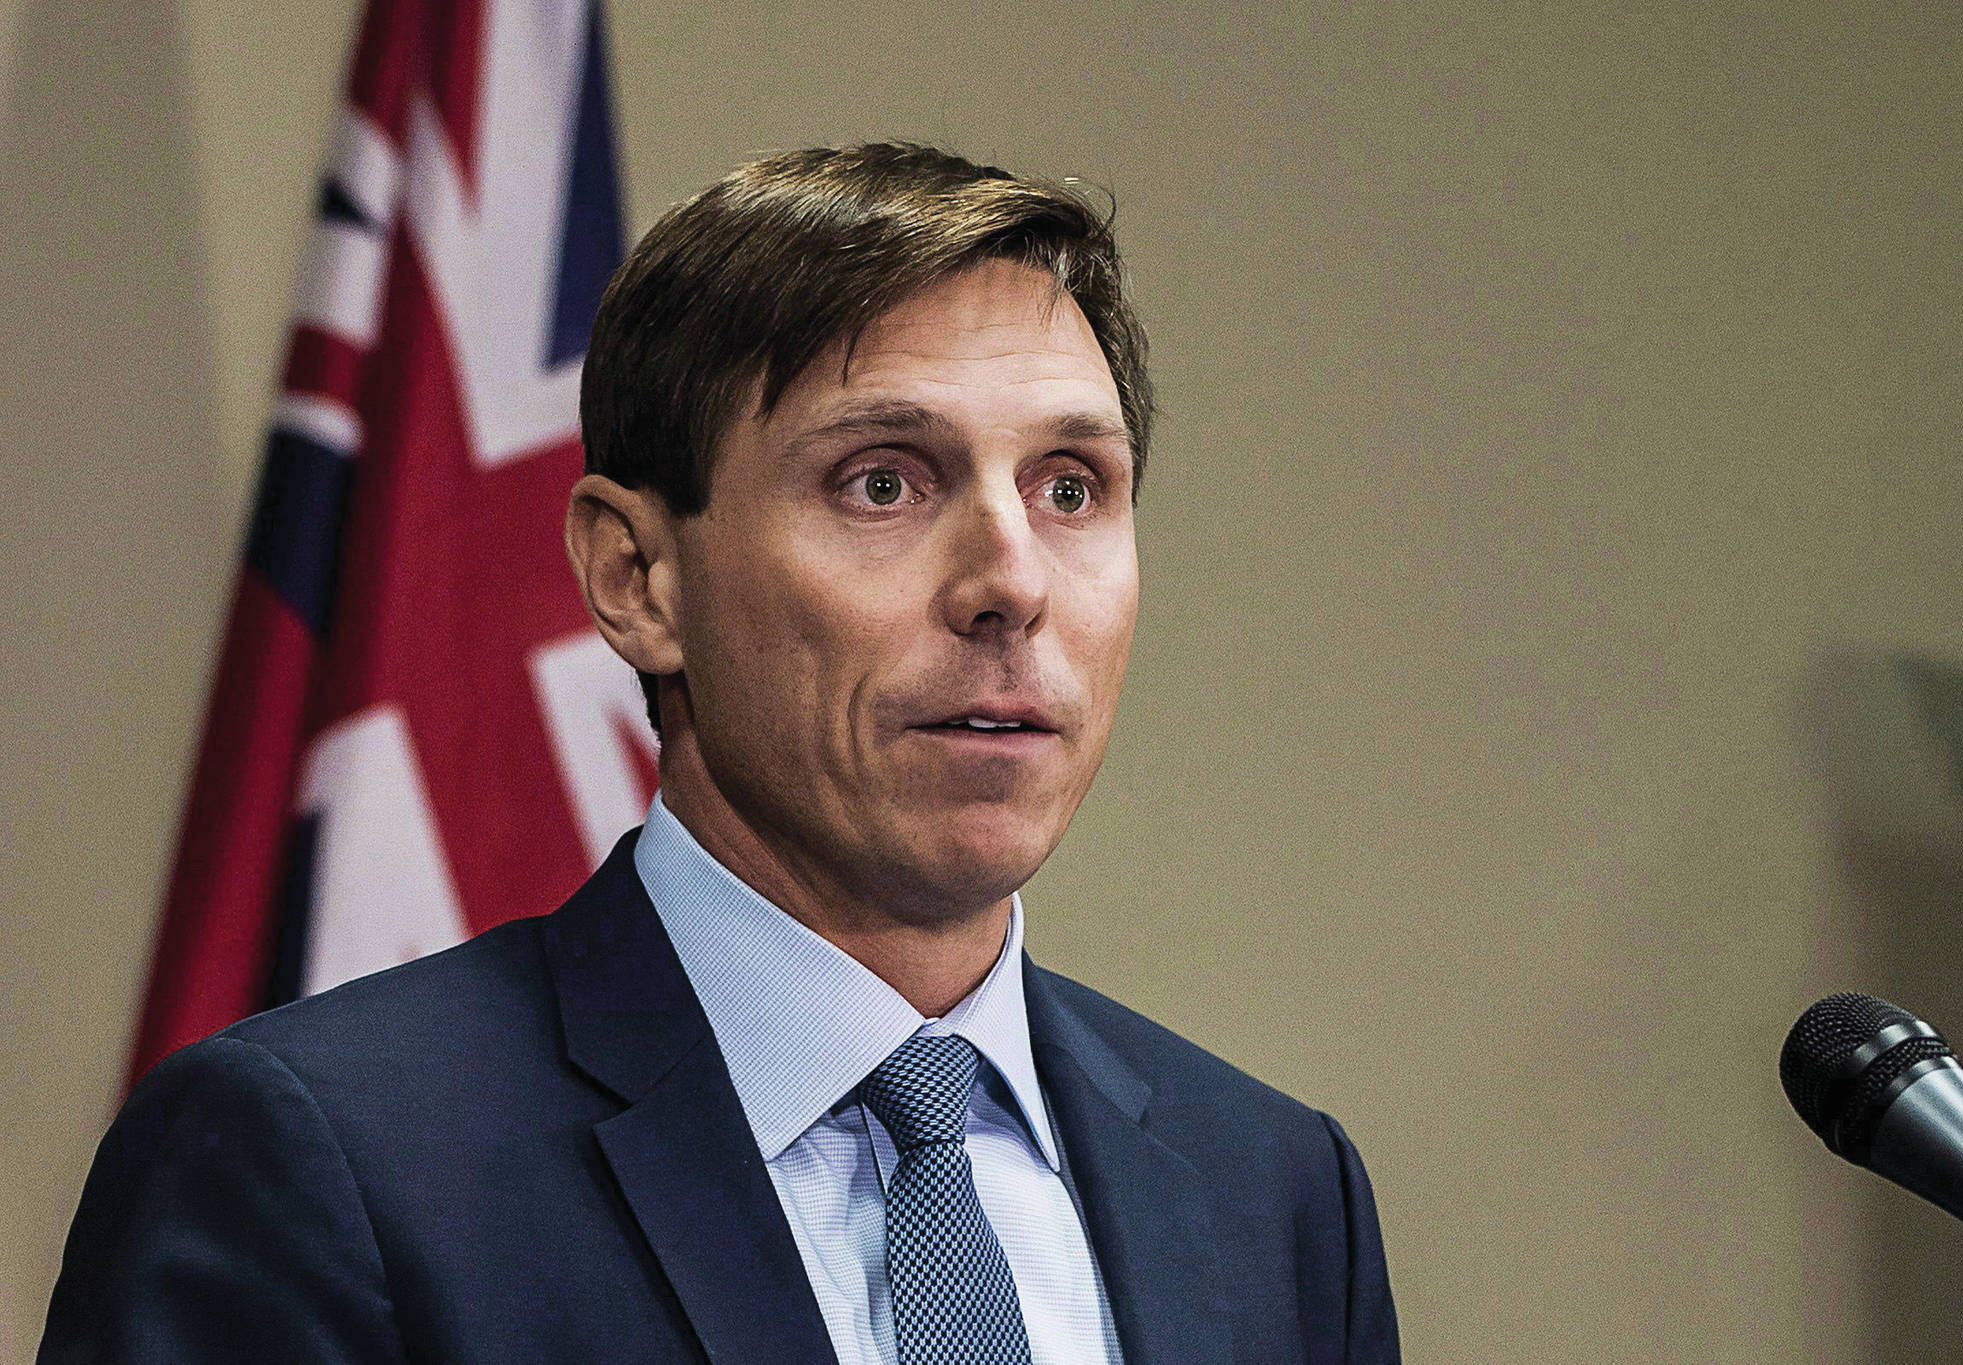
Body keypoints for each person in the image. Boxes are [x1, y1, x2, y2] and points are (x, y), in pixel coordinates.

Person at [41, 143, 1399, 1364]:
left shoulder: (1273, 1196)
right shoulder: (321, 1166)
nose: (1012, 580)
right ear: (637, 576)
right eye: (884, 481)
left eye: (1069, 488)